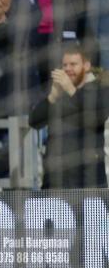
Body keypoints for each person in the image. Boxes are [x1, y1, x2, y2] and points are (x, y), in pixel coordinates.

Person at [29, 44, 109, 188]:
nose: (67, 69)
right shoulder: (58, 93)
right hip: (55, 183)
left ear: (86, 66)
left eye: (73, 64)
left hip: (88, 184)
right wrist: (52, 97)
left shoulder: (100, 89)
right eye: (64, 65)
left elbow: (97, 115)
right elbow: (34, 122)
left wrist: (71, 90)